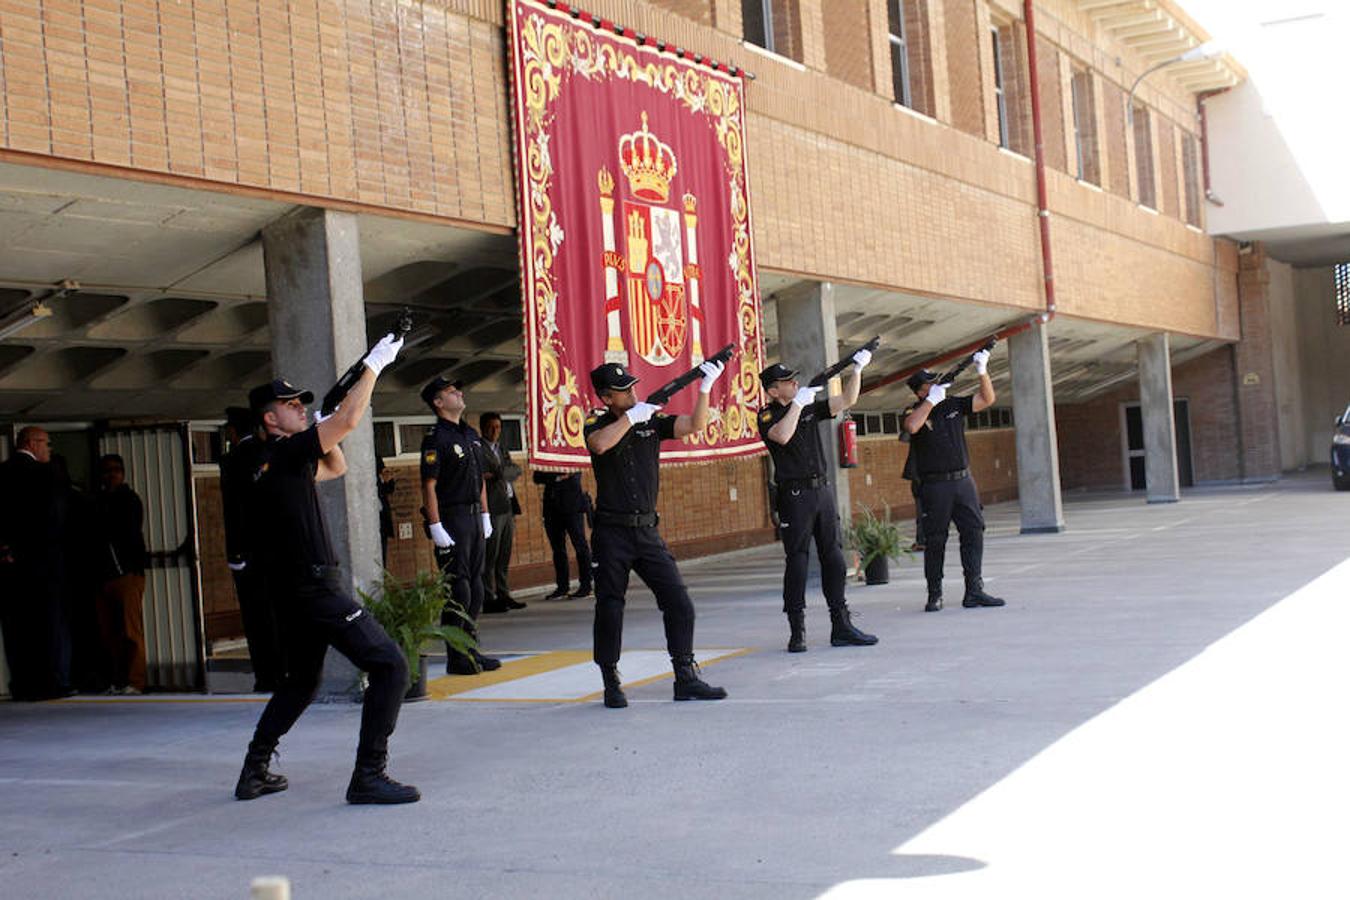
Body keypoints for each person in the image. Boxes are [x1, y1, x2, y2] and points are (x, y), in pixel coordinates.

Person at [234, 332, 420, 805]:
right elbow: (352, 419)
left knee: (301, 682)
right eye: (289, 404)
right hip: (313, 588)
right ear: (268, 418)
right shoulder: (283, 452)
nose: (298, 408)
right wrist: (374, 365)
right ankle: (368, 774)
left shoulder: (270, 459)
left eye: (302, 404)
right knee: (391, 665)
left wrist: (321, 429)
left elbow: (334, 466)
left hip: (294, 590)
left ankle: (254, 769)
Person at [584, 359, 728, 709]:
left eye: (633, 386)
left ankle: (685, 676)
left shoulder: (650, 420)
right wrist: (631, 419)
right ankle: (610, 680)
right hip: (611, 532)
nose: (632, 393)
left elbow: (694, 424)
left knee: (679, 602)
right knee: (610, 607)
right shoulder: (598, 422)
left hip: (646, 530)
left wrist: (705, 387)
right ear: (606, 398)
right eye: (623, 390)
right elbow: (600, 445)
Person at [757, 353, 879, 653]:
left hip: (821, 492)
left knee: (834, 558)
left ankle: (841, 625)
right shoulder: (767, 415)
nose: (793, 382)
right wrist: (798, 403)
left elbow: (847, 400)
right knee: (797, 561)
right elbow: (783, 436)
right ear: (773, 391)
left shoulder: (809, 407)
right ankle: (797, 631)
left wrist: (857, 369)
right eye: (786, 381)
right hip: (794, 496)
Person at [901, 348, 1005, 612]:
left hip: (963, 481)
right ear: (920, 391)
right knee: (935, 539)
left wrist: (982, 371)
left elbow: (987, 399)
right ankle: (934, 594)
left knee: (974, 531)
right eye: (929, 384)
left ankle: (974, 590)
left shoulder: (953, 405)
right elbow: (912, 426)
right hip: (935, 486)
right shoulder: (914, 410)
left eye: (936, 382)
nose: (936, 386)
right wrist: (930, 402)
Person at [419, 377, 502, 675]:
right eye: (451, 392)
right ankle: (457, 656)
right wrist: (436, 525)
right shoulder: (435, 437)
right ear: (438, 403)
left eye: (458, 388)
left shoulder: (470, 434)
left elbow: (479, 478)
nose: (459, 392)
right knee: (459, 590)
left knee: (477, 588)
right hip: (451, 517)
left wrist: (485, 514)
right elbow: (429, 485)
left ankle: (471, 650)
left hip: (473, 516)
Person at [0, 427, 71, 701]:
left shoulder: (2, 472)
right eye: (47, 443)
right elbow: (53, 518)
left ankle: (21, 683)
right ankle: (49, 683)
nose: (49, 449)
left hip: (9, 564)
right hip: (42, 563)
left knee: (16, 627)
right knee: (46, 625)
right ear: (32, 443)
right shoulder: (45, 474)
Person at [220, 406, 283, 692]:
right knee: (278, 612)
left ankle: (267, 675)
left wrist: (234, 552)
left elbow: (234, 511)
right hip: (276, 549)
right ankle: (283, 670)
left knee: (256, 616)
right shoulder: (269, 451)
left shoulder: (233, 460)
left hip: (249, 552)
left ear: (233, 431)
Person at [93, 454, 149, 695]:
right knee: (109, 633)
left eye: (116, 470)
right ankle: (116, 679)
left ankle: (135, 680)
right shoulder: (98, 501)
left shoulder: (128, 500)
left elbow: (124, 533)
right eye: (107, 471)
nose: (111, 474)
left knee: (130, 631)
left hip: (126, 572)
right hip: (103, 574)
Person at [478, 412, 523, 613]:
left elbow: (514, 471)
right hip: (492, 507)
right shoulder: (479, 448)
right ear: (483, 428)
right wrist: (500, 473)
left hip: (507, 504)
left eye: (498, 427)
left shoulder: (501, 448)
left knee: (504, 553)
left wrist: (499, 473)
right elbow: (484, 475)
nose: (495, 431)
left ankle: (504, 593)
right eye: (491, 427)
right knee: (491, 554)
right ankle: (488, 596)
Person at [532, 469, 592, 600]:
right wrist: (557, 477)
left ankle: (586, 586)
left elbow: (574, 473)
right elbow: (537, 477)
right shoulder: (547, 456)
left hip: (572, 505)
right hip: (552, 507)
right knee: (558, 549)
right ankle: (562, 587)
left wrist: (554, 476)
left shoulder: (571, 453)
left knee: (580, 546)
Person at [376, 457, 396, 566]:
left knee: (382, 554)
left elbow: (389, 488)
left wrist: (387, 479)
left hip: (381, 517)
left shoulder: (376, 457)